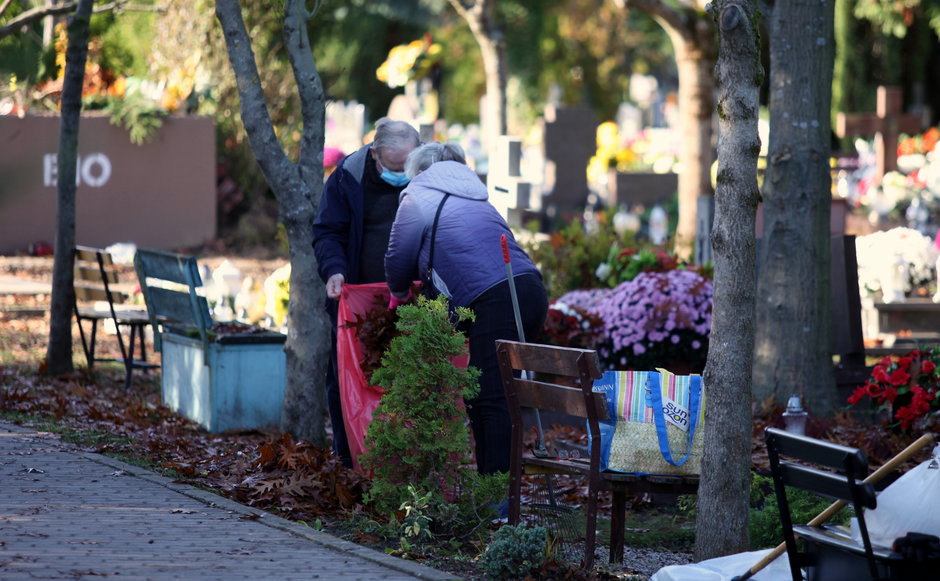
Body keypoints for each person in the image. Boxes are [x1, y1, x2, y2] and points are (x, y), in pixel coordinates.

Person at [384, 142, 548, 475]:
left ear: (418, 171)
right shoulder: (479, 197)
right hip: (530, 291)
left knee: (487, 397)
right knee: (500, 392)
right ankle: (502, 488)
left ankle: (498, 495)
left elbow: (398, 258)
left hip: (494, 298)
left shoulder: (418, 196)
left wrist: (398, 292)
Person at [312, 118, 421, 467]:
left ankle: (408, 463)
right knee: (345, 380)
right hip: (356, 299)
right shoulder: (349, 176)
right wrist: (334, 271)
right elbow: (328, 231)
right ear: (374, 154)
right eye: (393, 167)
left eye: (408, 166)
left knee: (412, 380)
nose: (401, 174)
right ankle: (350, 460)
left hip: (414, 300)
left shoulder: (429, 172)